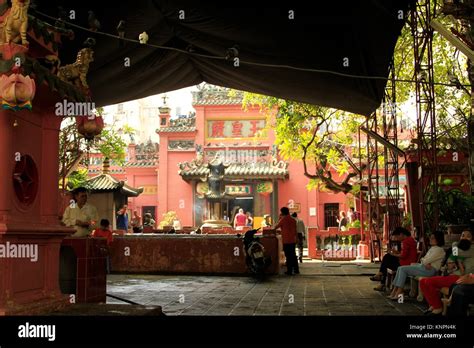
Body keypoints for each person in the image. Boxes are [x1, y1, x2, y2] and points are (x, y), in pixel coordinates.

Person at [420, 230, 474, 315]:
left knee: (428, 281)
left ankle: (437, 308)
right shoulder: (460, 249)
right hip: (453, 275)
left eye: (468, 236)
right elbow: (450, 263)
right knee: (422, 281)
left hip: (462, 278)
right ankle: (435, 305)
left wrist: (455, 244)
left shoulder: (471, 248)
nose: (464, 238)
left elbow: (456, 253)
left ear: (472, 240)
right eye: (462, 235)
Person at [387, 231, 445, 300]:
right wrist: (425, 261)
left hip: (430, 270)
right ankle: (394, 291)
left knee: (403, 269)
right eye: (430, 238)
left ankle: (399, 292)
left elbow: (425, 260)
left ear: (438, 239)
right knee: (400, 268)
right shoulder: (433, 248)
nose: (430, 239)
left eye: (432, 238)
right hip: (423, 267)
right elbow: (423, 260)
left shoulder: (439, 250)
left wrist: (425, 261)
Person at [370, 227, 418, 291]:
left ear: (401, 234)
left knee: (387, 258)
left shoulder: (406, 241)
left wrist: (393, 254)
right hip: (409, 262)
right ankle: (380, 277)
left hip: (405, 264)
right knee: (387, 259)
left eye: (397, 237)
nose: (397, 239)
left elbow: (403, 256)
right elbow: (406, 254)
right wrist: (396, 252)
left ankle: (381, 278)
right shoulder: (410, 240)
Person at [274, 207, 299, 275]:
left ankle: (289, 270)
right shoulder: (293, 220)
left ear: (283, 212)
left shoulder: (283, 220)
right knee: (293, 255)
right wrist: (296, 238)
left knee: (288, 255)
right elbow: (295, 230)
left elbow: (275, 227)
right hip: (292, 240)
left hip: (286, 240)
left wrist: (279, 218)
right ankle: (296, 269)